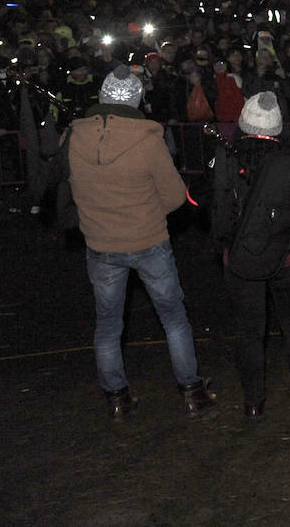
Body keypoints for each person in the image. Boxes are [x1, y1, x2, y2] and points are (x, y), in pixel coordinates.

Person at [63, 66, 217, 421]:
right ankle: (193, 392)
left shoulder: (74, 136)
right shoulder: (147, 140)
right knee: (173, 318)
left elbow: (72, 187)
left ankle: (117, 397)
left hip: (100, 244)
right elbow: (175, 197)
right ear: (137, 101)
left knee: (108, 324)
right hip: (148, 241)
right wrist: (146, 211)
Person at [206, 91, 290, 419]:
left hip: (241, 259)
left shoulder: (227, 157)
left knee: (249, 330)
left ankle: (254, 402)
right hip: (289, 255)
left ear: (243, 122)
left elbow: (201, 200)